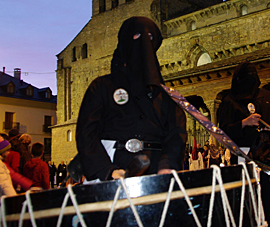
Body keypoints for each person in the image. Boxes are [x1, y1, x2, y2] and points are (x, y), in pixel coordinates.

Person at [76, 17, 187, 181]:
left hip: (155, 171)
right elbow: (86, 133)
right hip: (113, 167)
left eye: (150, 38)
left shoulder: (166, 96)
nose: (143, 43)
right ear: (125, 41)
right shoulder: (102, 87)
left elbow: (176, 133)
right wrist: (106, 169)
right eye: (137, 35)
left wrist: (167, 164)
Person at [217, 61, 270, 227]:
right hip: (246, 159)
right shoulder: (229, 102)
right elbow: (223, 132)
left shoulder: (268, 96)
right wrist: (243, 123)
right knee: (250, 205)